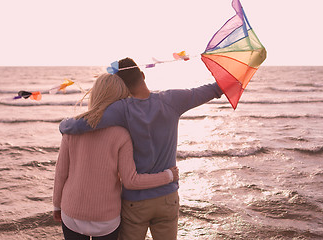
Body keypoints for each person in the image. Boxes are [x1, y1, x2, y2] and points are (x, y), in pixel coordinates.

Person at [59, 57, 223, 240]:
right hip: (167, 196)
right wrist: (230, 81)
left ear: (121, 86)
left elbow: (85, 122)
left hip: (135, 202)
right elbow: (212, 90)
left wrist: (64, 126)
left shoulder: (121, 109)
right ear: (143, 75)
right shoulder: (172, 100)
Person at [53, 73, 179, 240]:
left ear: (95, 94)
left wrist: (56, 205)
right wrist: (168, 175)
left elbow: (61, 173)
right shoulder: (122, 135)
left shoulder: (72, 129)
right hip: (106, 219)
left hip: (72, 213)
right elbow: (131, 181)